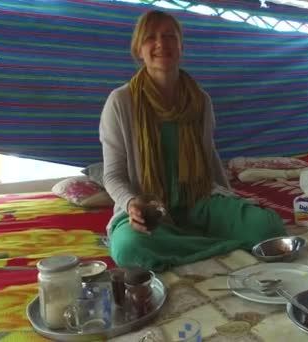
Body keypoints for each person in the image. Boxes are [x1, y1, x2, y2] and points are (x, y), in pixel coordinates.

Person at [99, 10, 286, 272]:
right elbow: (113, 175)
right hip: (151, 210)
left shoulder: (200, 100)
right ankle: (225, 248)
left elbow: (209, 157)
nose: (161, 44)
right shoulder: (121, 102)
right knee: (129, 248)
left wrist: (231, 200)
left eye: (169, 36)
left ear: (181, 46)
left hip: (198, 201)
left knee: (269, 226)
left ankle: (189, 246)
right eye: (150, 37)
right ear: (138, 50)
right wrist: (132, 204)